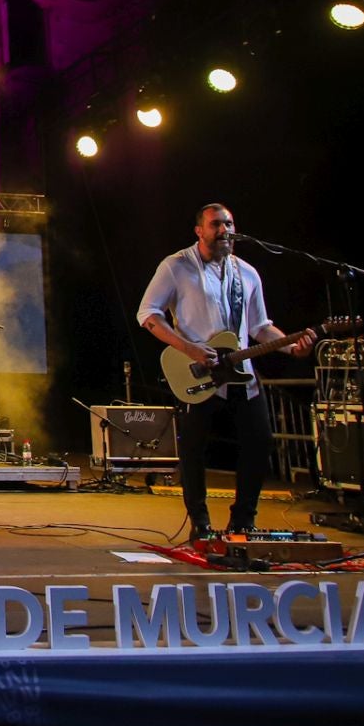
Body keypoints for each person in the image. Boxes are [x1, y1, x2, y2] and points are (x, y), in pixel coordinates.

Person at [138, 203, 313, 540]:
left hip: (241, 373)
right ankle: (200, 523)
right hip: (198, 372)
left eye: (229, 224)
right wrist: (188, 348)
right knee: (193, 447)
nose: (224, 230)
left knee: (259, 442)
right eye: (216, 224)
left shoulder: (246, 273)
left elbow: (261, 326)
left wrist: (292, 347)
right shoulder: (177, 266)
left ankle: (244, 519)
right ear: (199, 230)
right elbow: (148, 314)